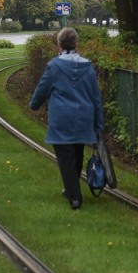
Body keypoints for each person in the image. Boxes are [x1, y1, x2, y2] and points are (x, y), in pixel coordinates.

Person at [28, 27, 104, 210]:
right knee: (76, 154)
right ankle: (71, 189)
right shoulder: (88, 67)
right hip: (83, 118)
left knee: (65, 158)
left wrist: (34, 104)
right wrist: (99, 124)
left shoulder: (55, 66)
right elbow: (96, 98)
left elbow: (42, 89)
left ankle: (75, 197)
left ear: (59, 44)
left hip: (62, 119)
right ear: (76, 44)